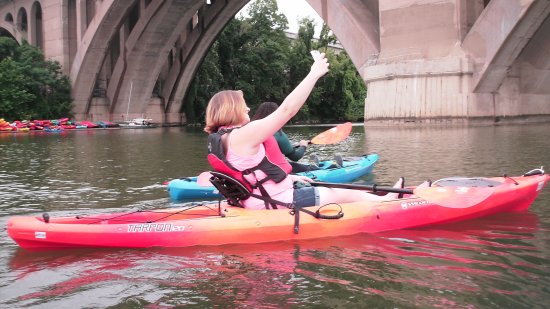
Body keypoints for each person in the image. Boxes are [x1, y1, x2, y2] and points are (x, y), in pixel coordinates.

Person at [204, 52, 403, 210]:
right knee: (341, 193)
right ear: (232, 109)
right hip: (276, 202)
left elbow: (249, 174)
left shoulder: (223, 139)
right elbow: (287, 109)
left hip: (256, 200)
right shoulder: (244, 134)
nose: (248, 109)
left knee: (324, 188)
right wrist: (314, 73)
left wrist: (290, 177)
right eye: (244, 105)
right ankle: (387, 203)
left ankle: (377, 200)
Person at [251, 101, 319, 173]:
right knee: (296, 166)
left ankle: (314, 167)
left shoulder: (249, 129)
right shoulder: (277, 132)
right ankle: (315, 168)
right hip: (273, 170)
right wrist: (303, 146)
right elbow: (295, 157)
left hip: (254, 169)